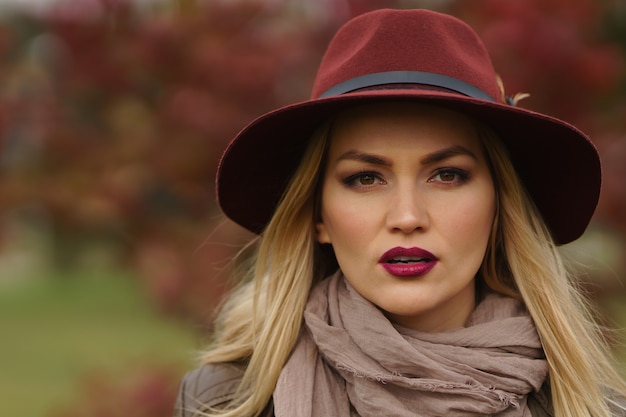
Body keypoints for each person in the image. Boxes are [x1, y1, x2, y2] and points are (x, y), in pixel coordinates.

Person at [173, 8, 626, 417]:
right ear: (318, 216)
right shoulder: (226, 402)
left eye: (447, 175)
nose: (407, 216)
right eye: (366, 178)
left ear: (499, 206)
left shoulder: (589, 406)